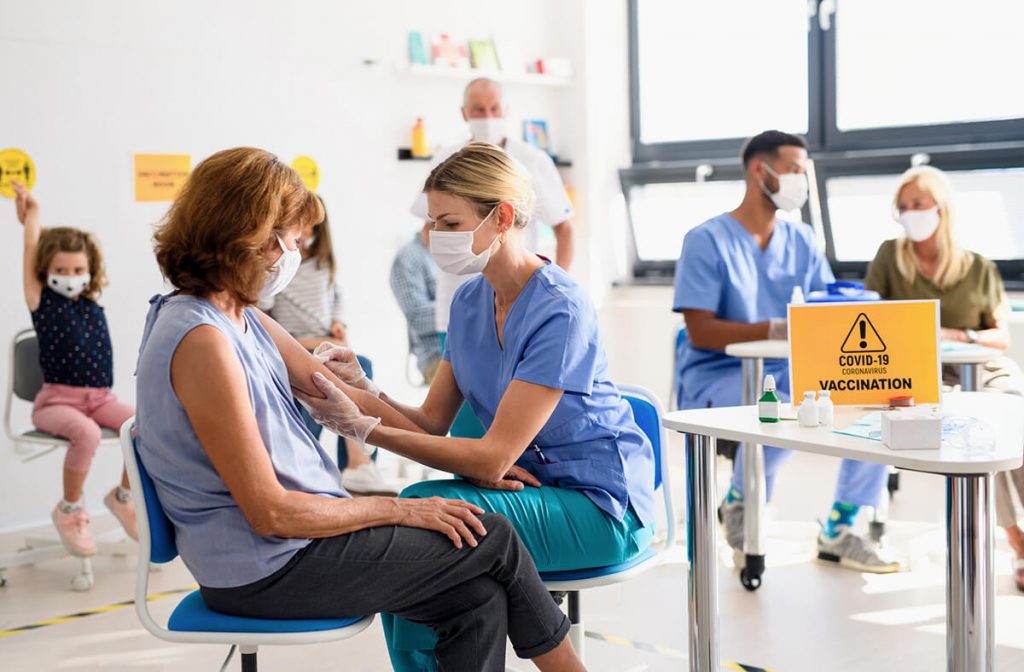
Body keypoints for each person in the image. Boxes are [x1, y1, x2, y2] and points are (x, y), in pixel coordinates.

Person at [135, 147, 583, 672]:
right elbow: (270, 512)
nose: (293, 256)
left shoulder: (242, 317)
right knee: (494, 537)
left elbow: (329, 387)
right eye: (292, 241)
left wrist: (368, 394)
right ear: (248, 235)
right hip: (265, 568)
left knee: (477, 595)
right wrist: (398, 507)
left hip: (294, 546)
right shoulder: (203, 338)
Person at [302, 142, 655, 671]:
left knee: (421, 516)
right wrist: (363, 390)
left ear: (502, 217)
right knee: (433, 545)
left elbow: (490, 459)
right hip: (528, 494)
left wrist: (364, 429)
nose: (432, 237)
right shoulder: (469, 301)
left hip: (599, 504)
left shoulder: (560, 308)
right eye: (431, 222)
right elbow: (430, 423)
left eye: (448, 222)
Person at [673, 130, 898, 573]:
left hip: (791, 371)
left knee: (870, 387)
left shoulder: (802, 241)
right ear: (761, 171)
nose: (802, 181)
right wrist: (776, 327)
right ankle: (742, 498)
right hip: (719, 374)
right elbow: (700, 332)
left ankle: (841, 526)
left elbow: (825, 314)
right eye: (795, 170)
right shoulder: (706, 240)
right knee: (793, 396)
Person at [865, 165, 1024, 588]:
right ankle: (1016, 541)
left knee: (1010, 412)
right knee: (976, 429)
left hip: (981, 367)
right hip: (923, 374)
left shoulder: (977, 267)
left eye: (918, 203)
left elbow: (999, 338)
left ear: (941, 207)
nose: (910, 212)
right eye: (903, 206)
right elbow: (867, 319)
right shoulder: (889, 257)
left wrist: (955, 334)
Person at [10, 181, 137, 557]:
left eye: (77, 268)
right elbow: (33, 249)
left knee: (141, 425)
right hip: (55, 402)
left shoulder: (91, 300)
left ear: (89, 270)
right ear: (46, 270)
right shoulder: (42, 301)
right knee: (87, 434)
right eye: (60, 268)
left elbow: (75, 254)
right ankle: (69, 509)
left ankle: (123, 496)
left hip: (100, 399)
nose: (69, 274)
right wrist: (32, 216)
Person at [410, 77, 576, 333]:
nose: (487, 117)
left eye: (494, 108)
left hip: (520, 300)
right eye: (478, 109)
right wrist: (451, 252)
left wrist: (551, 290)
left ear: (504, 217)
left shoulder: (531, 161)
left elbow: (564, 228)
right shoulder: (445, 160)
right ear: (464, 113)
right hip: (456, 303)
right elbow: (428, 226)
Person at [260, 196, 396, 495]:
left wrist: (339, 325)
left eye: (311, 227)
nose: (306, 233)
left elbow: (336, 297)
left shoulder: (322, 264)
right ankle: (354, 464)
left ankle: (358, 464)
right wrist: (320, 341)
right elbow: (266, 323)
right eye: (300, 228)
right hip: (296, 344)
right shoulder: (281, 266)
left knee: (362, 367)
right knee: (327, 378)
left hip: (324, 341)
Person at [390, 220, 443, 383]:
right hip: (438, 356)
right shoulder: (408, 258)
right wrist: (467, 308)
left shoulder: (446, 255)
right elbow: (417, 317)